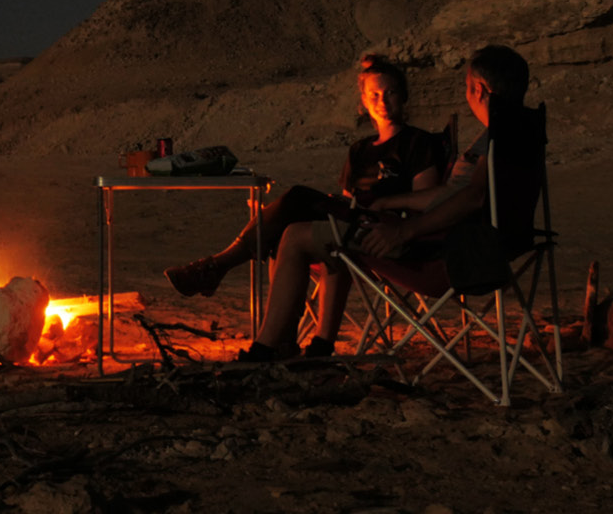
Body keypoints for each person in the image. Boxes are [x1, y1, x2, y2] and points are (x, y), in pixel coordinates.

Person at [238, 44, 533, 361]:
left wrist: (405, 230)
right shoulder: (517, 132)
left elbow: (473, 198)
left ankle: (266, 349)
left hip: (437, 253)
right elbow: (459, 196)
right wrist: (390, 203)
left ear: (478, 88)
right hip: (463, 242)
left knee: (296, 235)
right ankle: (291, 343)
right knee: (310, 228)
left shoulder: (496, 139)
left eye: (465, 86)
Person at [165, 53, 450, 358]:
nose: (382, 101)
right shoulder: (360, 150)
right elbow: (346, 198)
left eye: (390, 92)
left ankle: (221, 272)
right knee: (287, 233)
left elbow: (427, 199)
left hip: (389, 232)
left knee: (298, 201)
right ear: (364, 101)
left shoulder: (418, 142)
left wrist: (386, 203)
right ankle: (293, 342)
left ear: (403, 95)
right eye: (374, 94)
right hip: (355, 227)